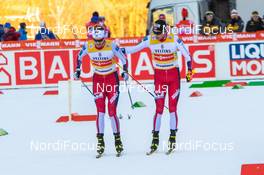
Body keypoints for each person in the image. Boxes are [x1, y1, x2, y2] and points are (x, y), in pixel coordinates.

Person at [124, 19, 193, 154]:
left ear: (166, 31)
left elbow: (188, 56)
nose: (157, 36)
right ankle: (155, 138)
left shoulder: (174, 39)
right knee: (159, 109)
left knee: (172, 108)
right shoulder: (150, 39)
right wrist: (118, 49)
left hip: (174, 77)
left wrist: (190, 71)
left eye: (159, 34)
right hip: (159, 78)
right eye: (155, 33)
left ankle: (172, 137)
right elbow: (132, 49)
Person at [74, 25, 128, 157]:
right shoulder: (88, 46)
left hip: (111, 79)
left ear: (105, 37)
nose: (98, 43)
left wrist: (125, 71)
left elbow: (124, 59)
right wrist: (77, 70)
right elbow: (79, 57)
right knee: (100, 112)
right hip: (98, 80)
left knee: (111, 111)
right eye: (96, 40)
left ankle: (117, 140)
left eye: (100, 40)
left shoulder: (112, 45)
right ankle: (100, 141)